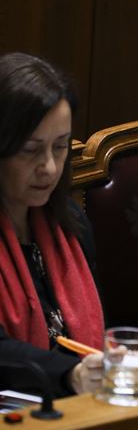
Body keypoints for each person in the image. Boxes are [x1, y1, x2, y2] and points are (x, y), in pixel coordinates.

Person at [0, 52, 105, 397]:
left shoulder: (71, 225)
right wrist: (70, 375)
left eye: (60, 148)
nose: (49, 167)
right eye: (31, 150)